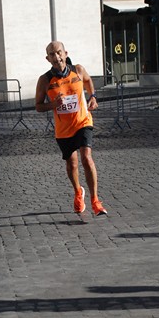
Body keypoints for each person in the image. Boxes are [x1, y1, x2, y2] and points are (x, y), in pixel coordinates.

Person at [35, 41, 107, 216]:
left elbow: (89, 82)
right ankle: (78, 192)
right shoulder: (44, 80)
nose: (56, 56)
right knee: (72, 163)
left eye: (59, 52)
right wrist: (53, 104)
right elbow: (38, 105)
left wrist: (93, 97)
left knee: (86, 157)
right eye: (52, 54)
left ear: (65, 53)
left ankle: (95, 201)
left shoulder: (78, 70)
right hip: (63, 129)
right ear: (47, 58)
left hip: (83, 121)